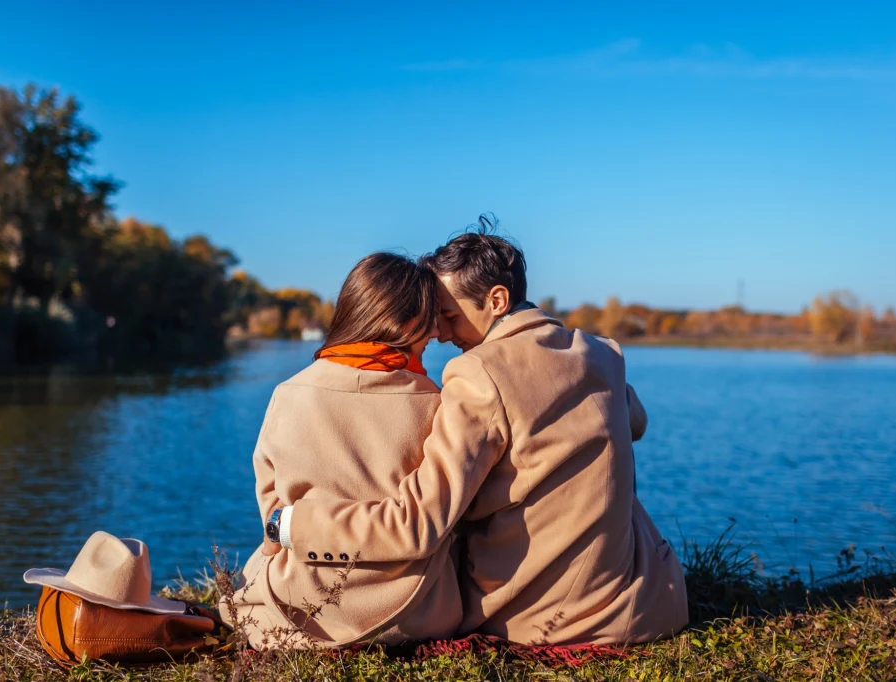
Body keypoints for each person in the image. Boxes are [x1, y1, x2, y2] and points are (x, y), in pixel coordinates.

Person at [269, 219, 688, 645]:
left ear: (497, 300)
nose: (442, 334)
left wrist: (292, 524)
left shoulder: (477, 374)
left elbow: (420, 521)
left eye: (449, 316)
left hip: (540, 621)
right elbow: (636, 422)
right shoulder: (600, 354)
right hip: (647, 602)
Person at [221, 252, 462, 649]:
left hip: (294, 609)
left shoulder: (288, 395)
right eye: (429, 318)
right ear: (402, 321)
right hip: (417, 613)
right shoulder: (437, 404)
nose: (436, 332)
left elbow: (273, 516)